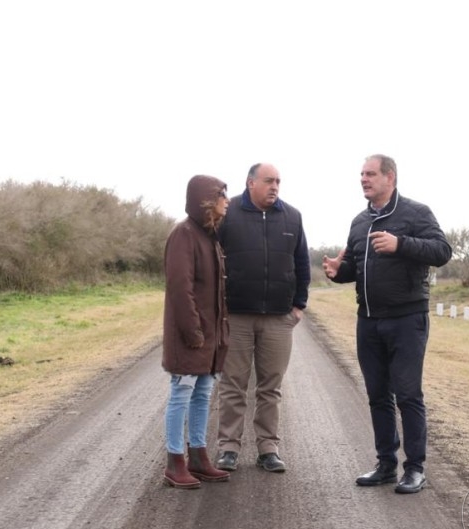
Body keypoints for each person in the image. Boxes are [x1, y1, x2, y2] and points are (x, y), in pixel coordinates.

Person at [323, 154, 452, 494]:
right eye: (361, 175)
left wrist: (401, 244)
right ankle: (385, 464)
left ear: (390, 178)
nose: (363, 180)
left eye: (370, 174)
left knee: (408, 394)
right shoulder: (359, 222)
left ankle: (416, 469)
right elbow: (354, 268)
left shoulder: (415, 213)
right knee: (378, 394)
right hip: (368, 320)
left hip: (407, 319)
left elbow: (442, 251)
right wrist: (338, 273)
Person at [215, 162, 311, 473]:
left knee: (271, 386)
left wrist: (298, 306)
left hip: (278, 318)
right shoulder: (227, 215)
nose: (275, 187)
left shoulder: (292, 217)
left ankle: (268, 448)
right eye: (269, 181)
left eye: (278, 182)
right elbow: (211, 259)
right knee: (233, 384)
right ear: (250, 183)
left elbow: (302, 264)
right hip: (236, 316)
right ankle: (228, 447)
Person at [161, 175, 231, 489]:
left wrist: (215, 334)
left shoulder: (210, 237)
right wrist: (193, 332)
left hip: (209, 336)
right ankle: (175, 462)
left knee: (203, 394)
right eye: (222, 195)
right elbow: (180, 288)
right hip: (191, 335)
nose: (227, 201)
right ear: (206, 199)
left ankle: (199, 457)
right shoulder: (184, 235)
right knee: (182, 392)